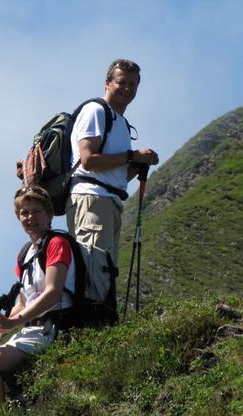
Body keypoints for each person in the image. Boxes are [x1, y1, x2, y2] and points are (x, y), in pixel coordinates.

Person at [0, 186, 75, 416]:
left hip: (56, 326)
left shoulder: (57, 244)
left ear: (49, 215)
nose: (30, 218)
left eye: (36, 211)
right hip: (33, 329)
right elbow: (23, 301)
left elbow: (52, 293)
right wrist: (4, 322)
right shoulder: (25, 255)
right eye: (24, 213)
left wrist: (14, 320)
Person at [66, 58, 159, 265]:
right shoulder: (96, 110)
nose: (127, 88)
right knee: (93, 272)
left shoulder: (121, 124)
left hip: (109, 202)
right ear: (107, 83)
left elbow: (117, 177)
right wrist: (133, 156)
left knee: (105, 274)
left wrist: (138, 164)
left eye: (132, 84)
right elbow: (88, 160)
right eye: (121, 82)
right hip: (91, 199)